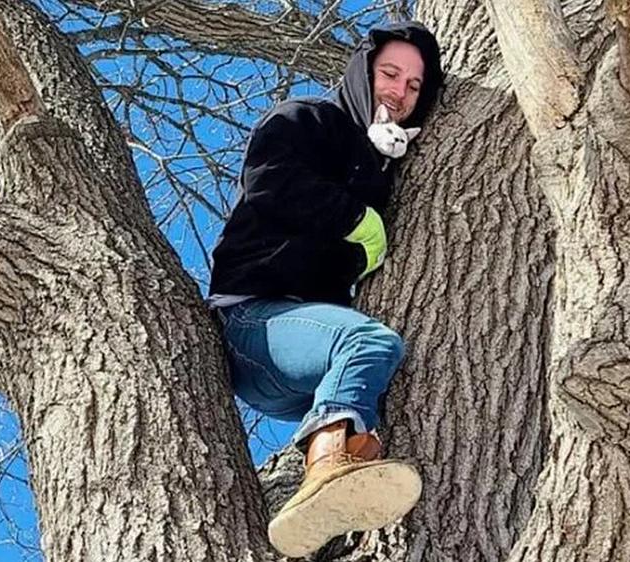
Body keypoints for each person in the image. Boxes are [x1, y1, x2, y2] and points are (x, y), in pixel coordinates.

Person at [208, 21, 443, 557]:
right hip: (254, 317)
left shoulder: (382, 161)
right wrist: (360, 218)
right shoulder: (306, 118)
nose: (400, 93)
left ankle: (332, 500)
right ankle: (328, 465)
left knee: (388, 386)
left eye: (414, 86)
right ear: (364, 72)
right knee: (371, 344)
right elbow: (271, 181)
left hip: (297, 372)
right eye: (390, 74)